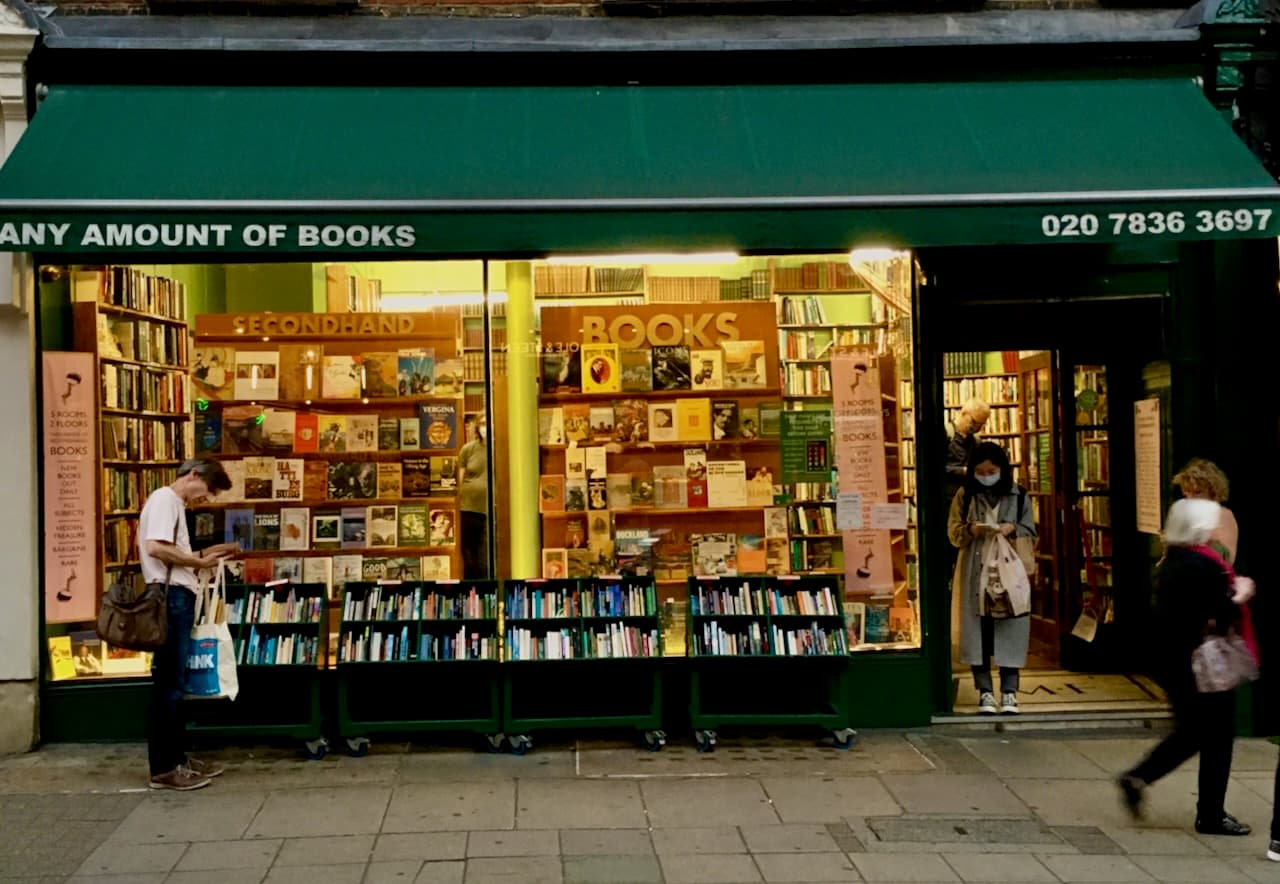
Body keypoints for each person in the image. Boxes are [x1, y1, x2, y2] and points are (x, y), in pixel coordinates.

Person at [1116, 498, 1256, 836]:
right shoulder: (1203, 564)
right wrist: (1239, 593)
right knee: (1217, 736)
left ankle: (1139, 777)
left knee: (1193, 732)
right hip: (1204, 665)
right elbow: (1219, 613)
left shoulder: (1172, 561)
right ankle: (1210, 814)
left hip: (1176, 662)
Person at [140, 457, 237, 792]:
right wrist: (197, 560)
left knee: (174, 682)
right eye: (207, 489)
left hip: (176, 595)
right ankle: (164, 768)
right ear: (193, 475)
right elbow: (156, 548)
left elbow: (168, 550)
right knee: (169, 683)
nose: (206, 498)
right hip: (172, 598)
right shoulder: (166, 500)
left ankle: (176, 759)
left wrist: (204, 556)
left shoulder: (172, 503)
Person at [947, 441, 1035, 715]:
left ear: (1002, 469)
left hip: (1008, 572)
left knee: (1011, 628)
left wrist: (1012, 528)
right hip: (975, 569)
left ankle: (1010, 692)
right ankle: (985, 691)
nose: (986, 476)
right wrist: (972, 529)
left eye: (991, 470)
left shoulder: (1019, 495)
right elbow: (953, 532)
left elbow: (1030, 531)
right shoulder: (965, 495)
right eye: (980, 471)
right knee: (979, 632)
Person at [944, 398, 991, 574]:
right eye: (973, 422)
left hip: (968, 503)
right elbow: (932, 469)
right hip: (946, 504)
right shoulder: (945, 434)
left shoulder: (976, 442)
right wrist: (963, 471)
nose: (976, 427)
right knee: (947, 551)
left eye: (981, 424)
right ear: (963, 413)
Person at [1173, 458, 1239, 564]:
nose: (1191, 498)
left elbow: (1227, 561)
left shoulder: (1223, 515)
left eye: (1197, 492)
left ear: (1213, 491)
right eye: (1188, 492)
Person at [457, 416, 489, 578]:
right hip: (468, 508)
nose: (485, 427)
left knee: (485, 556)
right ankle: (471, 590)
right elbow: (460, 479)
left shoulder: (500, 449)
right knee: (469, 553)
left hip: (490, 511)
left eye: (487, 423)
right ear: (477, 427)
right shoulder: (468, 449)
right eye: (482, 423)